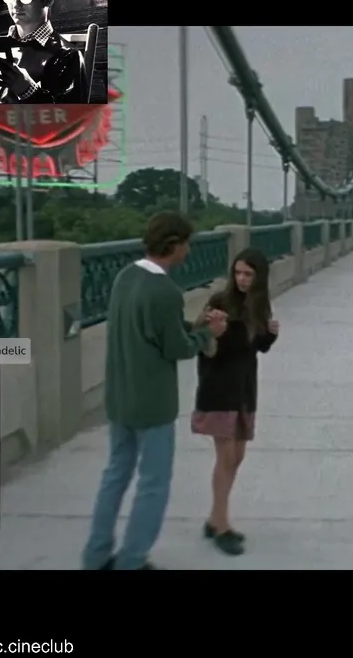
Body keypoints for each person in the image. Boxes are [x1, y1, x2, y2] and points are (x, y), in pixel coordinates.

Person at [81, 212, 228, 571]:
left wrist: (192, 325)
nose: (189, 251)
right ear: (174, 244)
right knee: (153, 484)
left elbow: (152, 328)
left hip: (120, 398)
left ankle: (96, 555)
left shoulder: (125, 277)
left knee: (115, 475)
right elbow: (177, 348)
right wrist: (209, 334)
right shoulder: (165, 291)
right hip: (152, 404)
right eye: (187, 244)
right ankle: (132, 560)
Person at [191, 248, 279, 556]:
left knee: (237, 456)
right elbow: (203, 345)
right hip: (219, 388)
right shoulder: (220, 302)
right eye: (238, 273)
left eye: (248, 274)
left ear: (259, 277)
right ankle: (221, 525)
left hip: (244, 388)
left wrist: (270, 335)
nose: (242, 279)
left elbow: (256, 347)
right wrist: (212, 329)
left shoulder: (259, 304)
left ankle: (214, 518)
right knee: (226, 456)